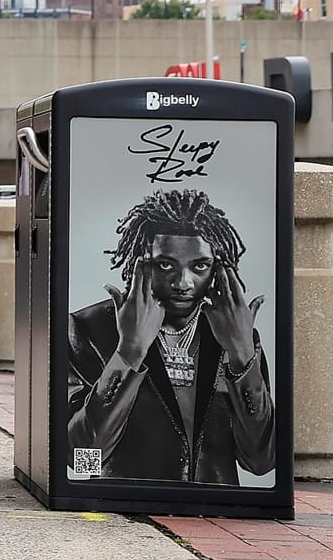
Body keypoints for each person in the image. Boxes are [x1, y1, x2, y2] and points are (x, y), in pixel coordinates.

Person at [67, 189, 275, 484]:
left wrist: (242, 357)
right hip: (122, 514)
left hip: (212, 516)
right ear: (140, 263)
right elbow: (81, 456)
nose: (182, 283)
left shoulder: (236, 336)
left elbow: (260, 461)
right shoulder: (87, 329)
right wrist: (129, 353)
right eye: (166, 265)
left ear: (218, 270)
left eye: (199, 266)